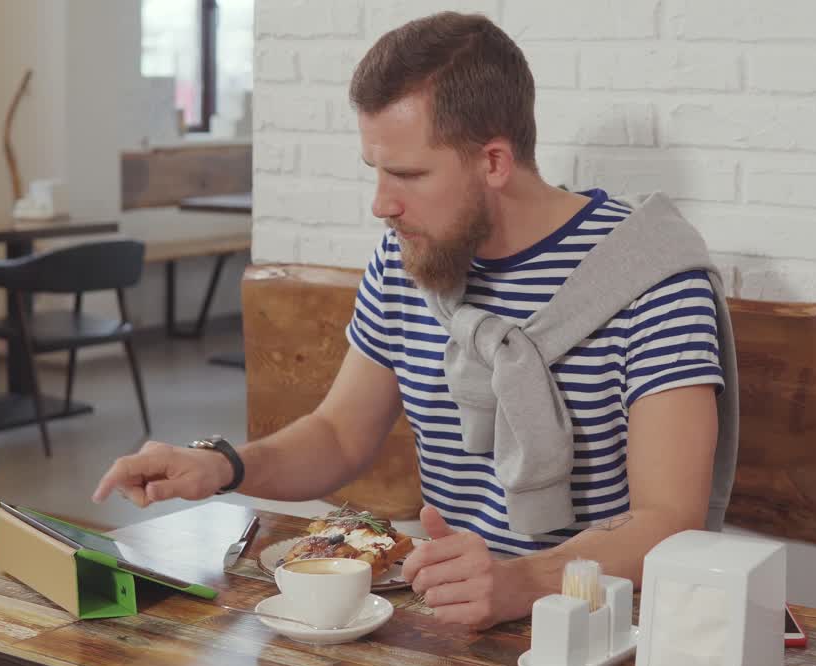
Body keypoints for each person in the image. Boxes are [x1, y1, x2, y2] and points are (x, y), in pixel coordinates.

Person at [92, 11, 738, 629]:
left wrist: (524, 581)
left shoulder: (652, 279)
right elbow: (339, 435)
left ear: (493, 161)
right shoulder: (407, 261)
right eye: (375, 171)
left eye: (406, 174)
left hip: (597, 628)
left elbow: (668, 518)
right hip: (442, 616)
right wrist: (220, 465)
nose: (381, 203)